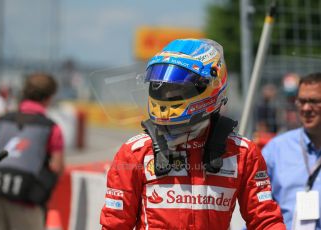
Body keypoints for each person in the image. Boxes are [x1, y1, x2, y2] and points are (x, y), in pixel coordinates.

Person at [100, 38, 285, 229]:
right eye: (161, 87)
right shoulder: (135, 152)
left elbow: (265, 221)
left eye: (178, 88)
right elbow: (115, 224)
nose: (167, 95)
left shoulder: (242, 153)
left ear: (211, 84)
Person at [0, 73, 65, 230]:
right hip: (27, 196)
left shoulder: (2, 119)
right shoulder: (51, 128)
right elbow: (57, 168)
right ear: (49, 97)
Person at [262, 72, 321, 230]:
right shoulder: (276, 150)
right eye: (301, 101)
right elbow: (258, 211)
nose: (306, 108)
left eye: (314, 101)